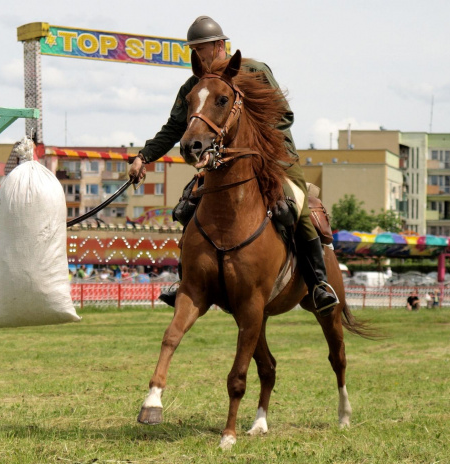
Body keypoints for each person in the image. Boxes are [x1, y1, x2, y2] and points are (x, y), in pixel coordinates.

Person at [129, 15, 338, 316]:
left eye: (204, 48)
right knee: (189, 205)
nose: (199, 54)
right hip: (224, 163)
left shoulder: (255, 71)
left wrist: (254, 145)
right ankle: (186, 282)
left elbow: (284, 116)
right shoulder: (194, 86)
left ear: (219, 45)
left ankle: (319, 284)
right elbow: (175, 128)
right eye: (195, 49)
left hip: (275, 157)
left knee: (299, 208)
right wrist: (143, 157)